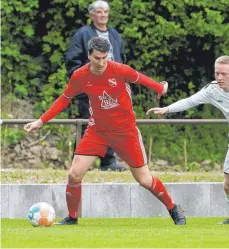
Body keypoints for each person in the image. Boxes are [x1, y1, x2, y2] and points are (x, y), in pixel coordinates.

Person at [24, 37, 186, 226]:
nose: (101, 62)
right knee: (74, 174)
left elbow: (141, 78)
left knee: (144, 180)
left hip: (126, 132)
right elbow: (64, 98)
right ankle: (72, 217)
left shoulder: (119, 69)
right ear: (89, 56)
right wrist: (41, 120)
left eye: (104, 58)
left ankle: (173, 208)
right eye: (97, 58)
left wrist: (161, 88)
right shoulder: (80, 76)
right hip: (97, 131)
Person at [147, 55, 229, 225]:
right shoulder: (213, 90)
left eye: (224, 74)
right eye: (217, 73)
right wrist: (167, 109)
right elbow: (191, 101)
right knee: (227, 184)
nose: (220, 77)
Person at [65, 0, 126, 171]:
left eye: (105, 12)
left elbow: (121, 58)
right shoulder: (82, 34)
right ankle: (80, 162)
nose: (103, 15)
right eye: (99, 12)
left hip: (113, 88)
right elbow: (72, 61)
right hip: (91, 87)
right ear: (92, 14)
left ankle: (108, 162)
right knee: (88, 124)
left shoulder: (114, 34)